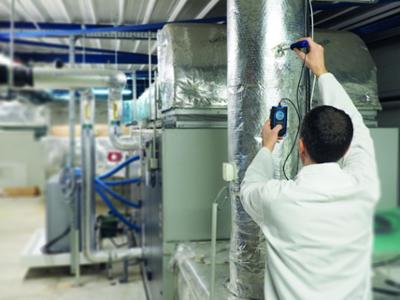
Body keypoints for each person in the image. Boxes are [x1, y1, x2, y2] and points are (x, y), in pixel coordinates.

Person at [241, 37, 380, 300]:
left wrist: (267, 146)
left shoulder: (277, 199)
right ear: (346, 148)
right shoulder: (364, 184)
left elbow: (248, 189)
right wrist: (321, 72)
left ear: (301, 146)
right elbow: (359, 132)